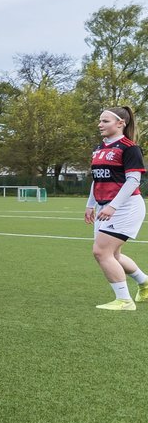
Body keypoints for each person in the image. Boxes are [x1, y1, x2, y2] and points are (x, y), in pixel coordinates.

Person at [85, 106, 148, 310]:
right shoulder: (99, 148)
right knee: (114, 255)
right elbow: (97, 179)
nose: (99, 124)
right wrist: (90, 205)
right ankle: (145, 283)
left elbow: (133, 181)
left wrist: (113, 206)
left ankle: (124, 301)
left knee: (101, 252)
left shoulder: (130, 148)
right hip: (106, 207)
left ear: (121, 123)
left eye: (105, 121)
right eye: (100, 121)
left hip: (126, 207)